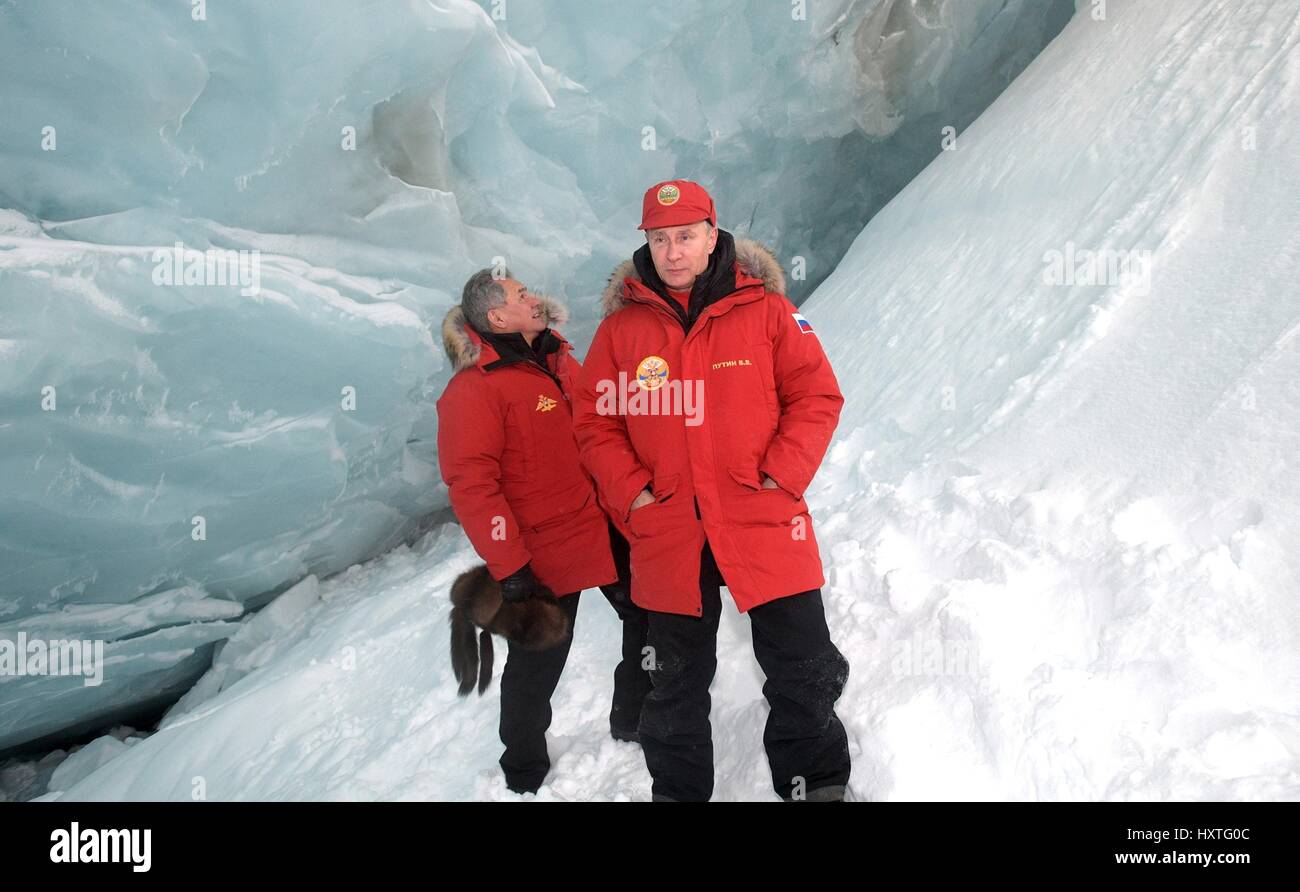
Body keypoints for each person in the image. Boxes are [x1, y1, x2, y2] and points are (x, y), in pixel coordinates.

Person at [573, 179, 850, 801]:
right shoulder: (622, 332)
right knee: (671, 683)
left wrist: (783, 474)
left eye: (686, 236)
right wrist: (634, 494)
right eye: (660, 238)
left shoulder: (769, 312)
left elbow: (817, 396)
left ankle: (819, 786)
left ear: (712, 233)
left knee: (803, 664)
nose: (673, 252)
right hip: (669, 527)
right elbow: (594, 421)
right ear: (646, 241)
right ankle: (678, 793)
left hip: (761, 514)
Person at [437, 268, 651, 794]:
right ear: (496, 317)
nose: (534, 298)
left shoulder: (557, 359)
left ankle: (634, 717)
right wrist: (510, 566)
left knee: (647, 616)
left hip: (605, 524)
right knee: (539, 659)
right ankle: (524, 767)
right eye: (520, 295)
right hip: (545, 550)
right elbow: (472, 486)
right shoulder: (473, 390)